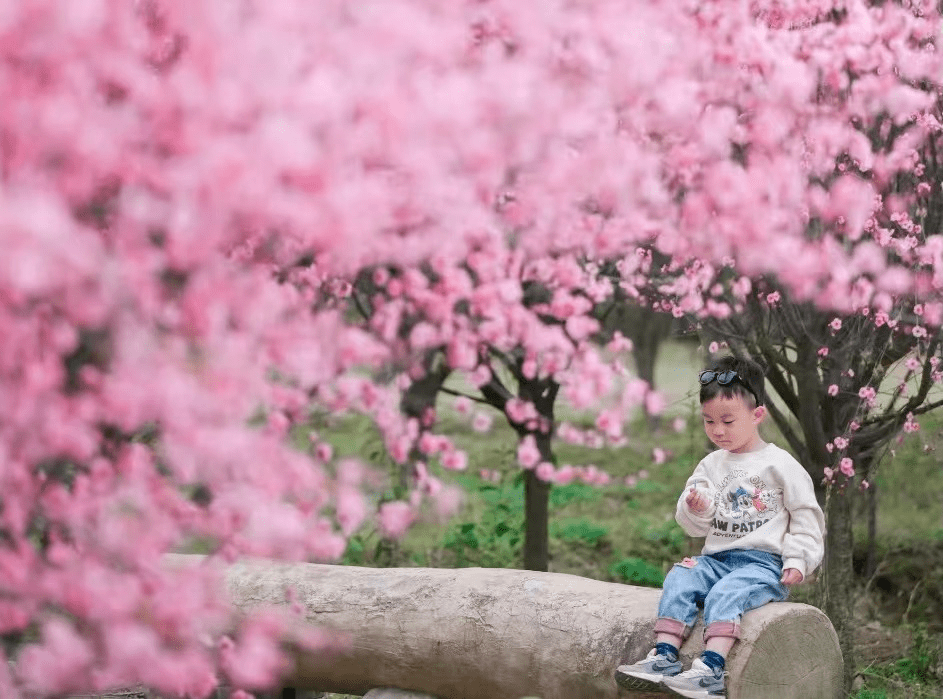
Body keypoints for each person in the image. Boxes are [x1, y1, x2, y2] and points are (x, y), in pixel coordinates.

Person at [614, 355, 825, 698]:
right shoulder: (711, 464)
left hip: (762, 564)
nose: (717, 430)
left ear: (757, 415)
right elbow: (695, 526)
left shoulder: (780, 464)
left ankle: (711, 669)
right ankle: (664, 656)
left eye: (728, 420)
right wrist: (696, 506)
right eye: (709, 421)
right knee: (681, 576)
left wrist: (798, 559)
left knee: (726, 593)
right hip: (716, 560)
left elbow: (806, 515)